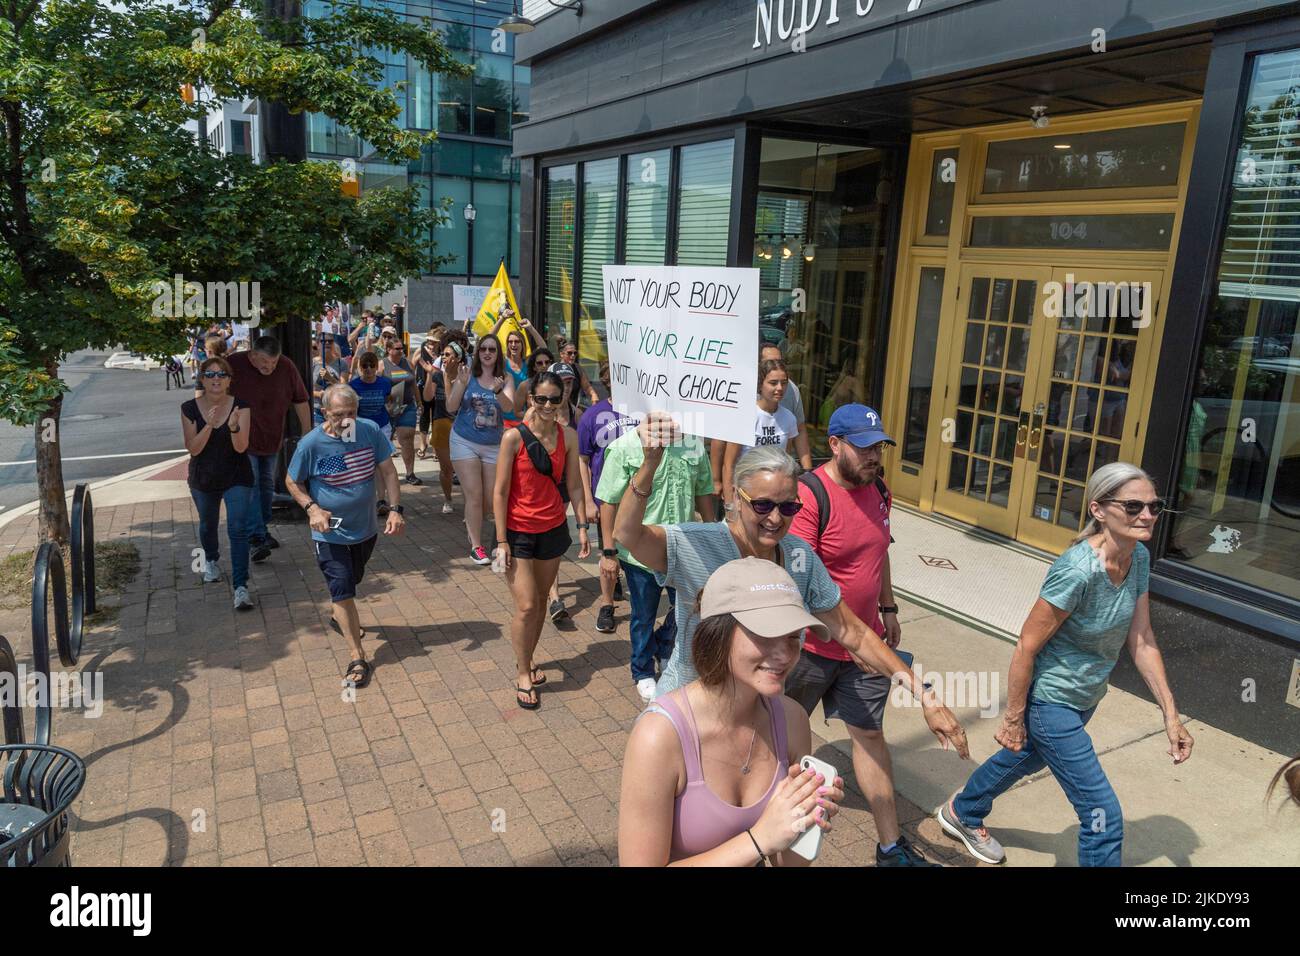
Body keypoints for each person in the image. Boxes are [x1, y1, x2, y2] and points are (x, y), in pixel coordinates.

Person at [615, 415, 969, 750]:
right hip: (689, 720)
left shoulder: (799, 557)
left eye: (788, 508)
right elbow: (627, 535)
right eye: (762, 505)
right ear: (736, 497)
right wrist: (649, 465)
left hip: (753, 723)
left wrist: (925, 695)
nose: (775, 518)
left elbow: (853, 632)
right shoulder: (695, 542)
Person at [938, 462, 1194, 867]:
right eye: (1133, 506)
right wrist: (1014, 717)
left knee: (1025, 757)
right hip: (1051, 702)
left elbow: (1142, 639)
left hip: (1086, 695)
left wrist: (1171, 715)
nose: (1147, 515)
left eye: (1154, 506)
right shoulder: (1077, 570)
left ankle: (963, 811)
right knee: (1102, 816)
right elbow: (1026, 646)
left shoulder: (1139, 557)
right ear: (1098, 509)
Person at [618, 558, 847, 866]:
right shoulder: (659, 736)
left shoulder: (792, 720)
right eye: (766, 634)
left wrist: (804, 819)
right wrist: (759, 839)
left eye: (794, 636)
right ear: (718, 634)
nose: (784, 654)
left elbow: (789, 863)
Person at [783, 403, 934, 866]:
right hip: (808, 649)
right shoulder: (809, 496)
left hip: (865, 644)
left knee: (869, 737)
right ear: (834, 444)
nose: (873, 457)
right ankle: (769, 838)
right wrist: (851, 637)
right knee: (780, 743)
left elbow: (879, 551)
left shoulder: (880, 490)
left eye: (879, 448)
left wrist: (888, 607)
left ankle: (890, 848)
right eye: (863, 448)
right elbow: (801, 582)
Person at [285, 384, 405, 690]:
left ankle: (339, 615)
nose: (345, 420)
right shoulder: (311, 444)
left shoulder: (369, 431)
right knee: (341, 589)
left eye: (351, 413)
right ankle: (357, 657)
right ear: (325, 412)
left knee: (353, 580)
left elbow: (389, 472)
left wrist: (395, 510)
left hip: (365, 529)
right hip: (329, 533)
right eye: (338, 414)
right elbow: (292, 481)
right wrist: (312, 508)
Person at [596, 406, 713, 701]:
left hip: (683, 548)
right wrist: (608, 552)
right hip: (639, 553)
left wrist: (713, 535)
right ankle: (642, 670)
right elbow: (609, 502)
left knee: (688, 610)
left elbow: (703, 492)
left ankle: (664, 645)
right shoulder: (623, 448)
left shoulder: (693, 445)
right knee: (643, 615)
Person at [492, 371, 590, 709]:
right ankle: (523, 672)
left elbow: (574, 485)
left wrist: (582, 526)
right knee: (527, 605)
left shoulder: (569, 436)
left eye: (555, 399)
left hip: (552, 528)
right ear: (531, 398)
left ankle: (528, 657)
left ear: (563, 399)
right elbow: (500, 491)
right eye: (541, 398)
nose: (548, 405)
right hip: (517, 532)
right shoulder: (513, 438)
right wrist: (501, 541)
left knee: (541, 604)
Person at [228, 335, 311, 564]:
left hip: (272, 440)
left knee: (266, 489)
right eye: (265, 361)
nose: (270, 367)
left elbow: (301, 400)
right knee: (252, 486)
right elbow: (213, 392)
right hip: (243, 441)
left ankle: (261, 529)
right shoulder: (233, 364)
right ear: (253, 355)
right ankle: (255, 538)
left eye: (274, 362)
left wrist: (307, 433)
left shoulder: (286, 366)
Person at [181, 355, 255, 611]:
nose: (216, 379)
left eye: (221, 374)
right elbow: (193, 448)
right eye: (210, 374)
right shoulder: (189, 408)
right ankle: (210, 559)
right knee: (208, 524)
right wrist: (209, 426)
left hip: (237, 475)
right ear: (202, 379)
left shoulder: (241, 407)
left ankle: (241, 587)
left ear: (229, 380)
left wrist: (233, 427)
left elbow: (241, 447)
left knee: (238, 528)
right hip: (204, 477)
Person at [577, 362, 637, 634]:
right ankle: (607, 603)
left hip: (639, 497)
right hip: (607, 498)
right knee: (609, 552)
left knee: (637, 552)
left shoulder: (643, 412)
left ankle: (636, 597)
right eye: (614, 377)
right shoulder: (592, 415)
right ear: (606, 381)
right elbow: (583, 460)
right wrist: (589, 501)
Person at [448, 332, 514, 564]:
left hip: (493, 444)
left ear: (498, 353)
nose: (487, 353)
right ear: (477, 353)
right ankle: (477, 547)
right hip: (464, 440)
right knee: (474, 494)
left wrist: (498, 391)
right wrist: (460, 384)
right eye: (483, 349)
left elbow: (509, 408)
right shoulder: (468, 375)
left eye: (492, 349)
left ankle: (472, 523)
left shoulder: (505, 378)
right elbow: (451, 406)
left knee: (489, 499)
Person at [721, 358, 800, 510]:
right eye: (773, 383)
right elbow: (728, 464)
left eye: (784, 383)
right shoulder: (745, 416)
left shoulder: (789, 418)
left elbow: (786, 460)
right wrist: (730, 504)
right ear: (760, 384)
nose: (779, 388)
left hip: (775, 496)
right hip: (745, 494)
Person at [421, 330, 464, 515]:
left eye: (448, 355)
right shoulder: (437, 375)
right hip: (441, 423)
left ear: (458, 358)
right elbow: (427, 397)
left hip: (461, 426)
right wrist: (429, 375)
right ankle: (448, 499)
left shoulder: (465, 377)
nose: (444, 358)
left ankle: (470, 505)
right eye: (443, 355)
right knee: (446, 468)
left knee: (463, 469)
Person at [761, 343, 812, 470]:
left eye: (779, 362)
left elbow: (799, 430)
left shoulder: (792, 390)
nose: (776, 366)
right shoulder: (743, 390)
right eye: (770, 362)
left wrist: (808, 470)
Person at [381, 338, 422, 486]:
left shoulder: (408, 363)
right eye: (397, 349)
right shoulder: (382, 365)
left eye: (401, 348)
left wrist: (419, 402)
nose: (401, 351)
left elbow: (414, 384)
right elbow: (377, 384)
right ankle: (387, 474)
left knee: (407, 439)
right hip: (388, 408)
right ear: (389, 350)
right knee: (385, 442)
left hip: (407, 406)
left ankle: (410, 473)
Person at [414, 327, 445, 461]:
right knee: (424, 415)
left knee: (437, 417)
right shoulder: (421, 350)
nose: (431, 345)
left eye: (434, 342)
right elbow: (411, 365)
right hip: (423, 386)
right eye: (429, 341)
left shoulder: (444, 354)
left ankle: (436, 447)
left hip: (439, 388)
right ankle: (423, 444)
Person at [349, 350, 395, 441]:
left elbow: (389, 401)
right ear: (360, 368)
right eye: (365, 366)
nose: (368, 368)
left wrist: (393, 407)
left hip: (382, 426)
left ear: (377, 367)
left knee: (383, 450)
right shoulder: (353, 385)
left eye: (372, 365)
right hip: (362, 426)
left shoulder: (385, 383)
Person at [311, 339, 349, 425]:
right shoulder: (312, 362)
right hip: (317, 410)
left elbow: (344, 389)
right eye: (323, 341)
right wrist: (319, 394)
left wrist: (330, 378)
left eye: (330, 341)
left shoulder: (342, 363)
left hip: (337, 409)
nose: (327, 343)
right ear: (318, 344)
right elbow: (305, 389)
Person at [558, 340, 600, 407]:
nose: (573, 355)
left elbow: (587, 387)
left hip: (573, 407)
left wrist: (593, 394)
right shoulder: (555, 368)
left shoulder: (578, 368)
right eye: (569, 353)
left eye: (575, 353)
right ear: (561, 354)